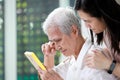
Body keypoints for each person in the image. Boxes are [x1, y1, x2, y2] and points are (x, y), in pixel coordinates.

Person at [38, 7, 117, 80]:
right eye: (53, 42)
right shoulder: (72, 60)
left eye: (58, 40)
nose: (57, 47)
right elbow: (50, 76)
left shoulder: (95, 62)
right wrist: (48, 55)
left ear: (74, 31)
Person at [74, 0, 120, 79]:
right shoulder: (107, 32)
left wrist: (108, 64)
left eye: (88, 21)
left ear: (103, 15)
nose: (86, 26)